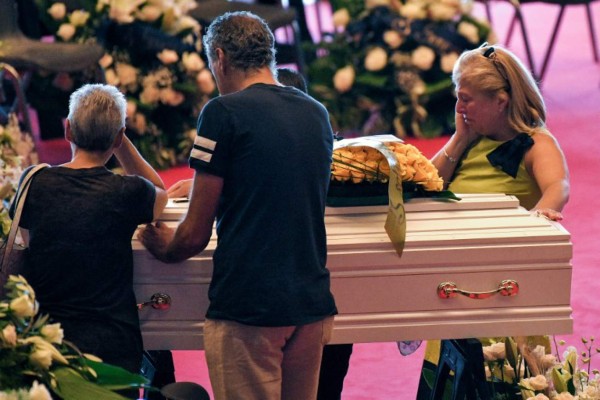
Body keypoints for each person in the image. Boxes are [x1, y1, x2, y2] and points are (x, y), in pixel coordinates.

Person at [139, 11, 337, 400]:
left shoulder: (221, 113)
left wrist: (160, 243)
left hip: (250, 305)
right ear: (270, 55)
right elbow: (283, 185)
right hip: (311, 303)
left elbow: (193, 236)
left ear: (219, 57)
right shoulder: (317, 113)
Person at [417, 43, 570, 398]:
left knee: (503, 384)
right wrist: (459, 139)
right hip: (453, 283)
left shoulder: (535, 142)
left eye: (467, 99)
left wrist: (540, 217)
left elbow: (557, 187)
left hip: (504, 284)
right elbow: (422, 184)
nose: (459, 108)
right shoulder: (470, 140)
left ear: (500, 101)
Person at [10, 83, 168, 377]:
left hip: (49, 344)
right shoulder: (127, 191)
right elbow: (160, 192)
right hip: (113, 347)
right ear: (119, 137)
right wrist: (121, 139)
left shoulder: (34, 183)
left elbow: (31, 244)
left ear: (68, 130)